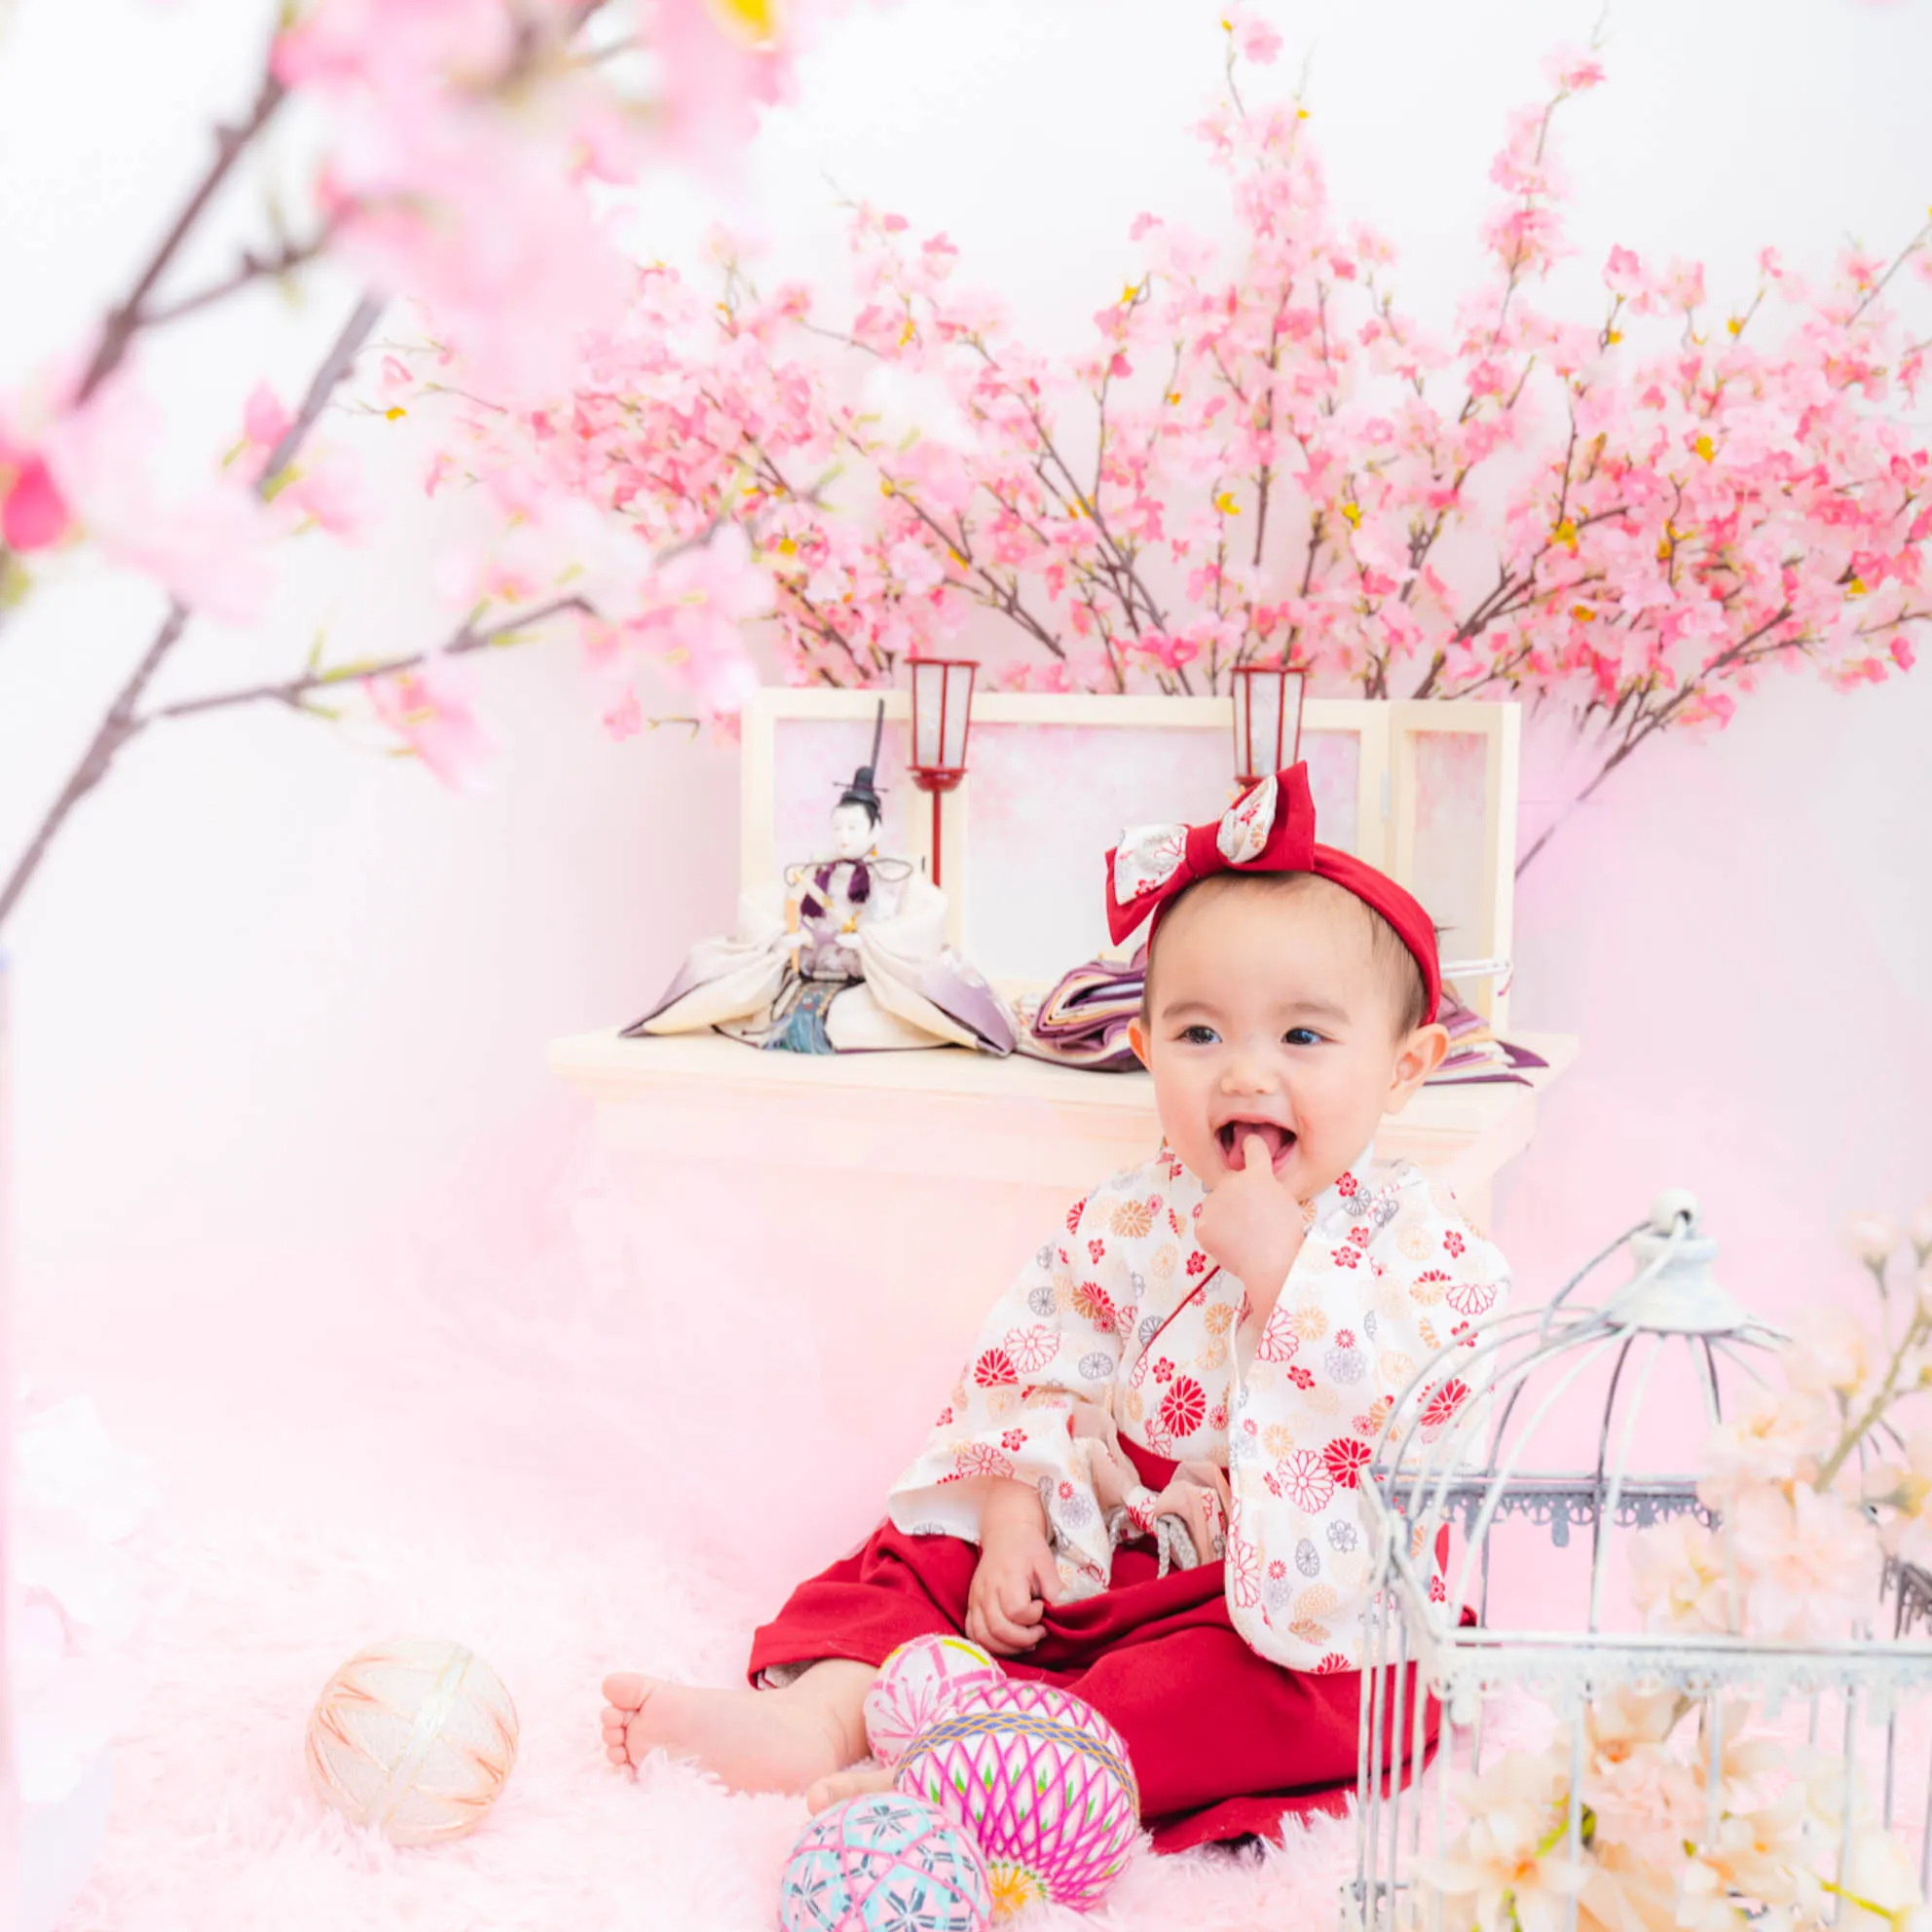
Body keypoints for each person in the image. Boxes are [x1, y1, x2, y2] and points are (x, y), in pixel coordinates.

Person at [598, 762, 1511, 1850]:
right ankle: (817, 1716)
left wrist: (1288, 1276)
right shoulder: (1127, 1215)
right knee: (912, 1558)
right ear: (1146, 1051)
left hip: (1278, 1584)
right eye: (1200, 1035)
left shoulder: (1421, 1240)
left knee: (1291, 1692)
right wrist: (1015, 1519)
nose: (1244, 1075)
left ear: (1405, 1068)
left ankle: (991, 1769)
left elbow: (1427, 1417)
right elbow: (1029, 1370)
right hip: (1105, 1541)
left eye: (1302, 1038)